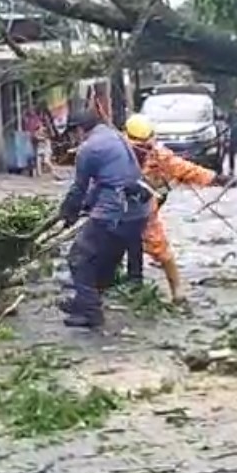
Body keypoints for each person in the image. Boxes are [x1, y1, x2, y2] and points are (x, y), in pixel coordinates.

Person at [121, 114, 231, 302]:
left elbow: (184, 168)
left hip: (146, 208)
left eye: (146, 145)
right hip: (116, 208)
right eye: (138, 145)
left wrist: (214, 178)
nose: (142, 150)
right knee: (109, 246)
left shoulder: (159, 155)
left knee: (161, 249)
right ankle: (115, 282)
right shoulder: (116, 151)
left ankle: (177, 292)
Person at [57, 111, 152, 328]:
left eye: (73, 134)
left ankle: (91, 313)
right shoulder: (115, 136)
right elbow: (104, 181)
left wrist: (68, 213)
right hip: (139, 212)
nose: (73, 139)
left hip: (115, 213)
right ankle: (85, 301)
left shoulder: (88, 149)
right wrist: (86, 207)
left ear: (80, 130)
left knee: (79, 258)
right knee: (102, 261)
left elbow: (79, 189)